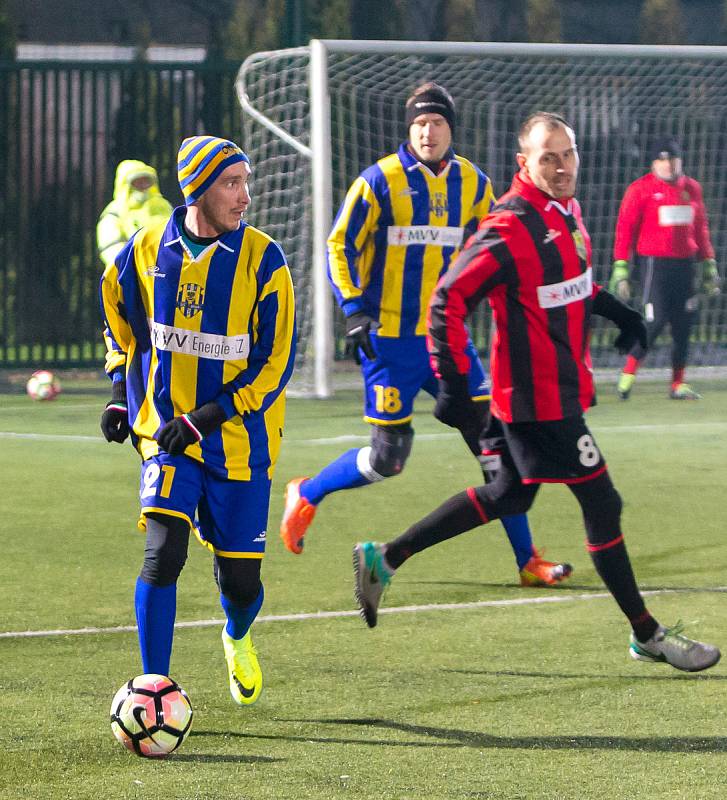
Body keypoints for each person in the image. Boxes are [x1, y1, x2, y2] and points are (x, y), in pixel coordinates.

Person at [352, 112, 720, 673]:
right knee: (603, 503)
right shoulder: (508, 226)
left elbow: (565, 280)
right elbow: (446, 300)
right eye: (548, 157)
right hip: (535, 399)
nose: (563, 165)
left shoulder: (562, 209)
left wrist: (615, 309)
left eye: (567, 153)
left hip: (553, 389)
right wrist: (450, 380)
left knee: (510, 495)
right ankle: (646, 633)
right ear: (523, 163)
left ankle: (386, 556)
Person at [280, 82, 572, 587]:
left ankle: (527, 561)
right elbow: (338, 245)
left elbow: (502, 239)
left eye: (436, 122)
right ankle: (308, 492)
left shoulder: (474, 184)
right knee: (387, 460)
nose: (427, 131)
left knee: (495, 448)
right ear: (408, 128)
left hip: (450, 340)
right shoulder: (378, 181)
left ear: (450, 128)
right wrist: (353, 308)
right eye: (419, 123)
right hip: (390, 343)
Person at [99, 135, 296, 705]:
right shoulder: (146, 250)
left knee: (240, 584)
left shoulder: (264, 261)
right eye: (232, 184)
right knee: (163, 554)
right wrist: (119, 389)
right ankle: (152, 688)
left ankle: (236, 633)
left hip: (240, 441)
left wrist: (207, 416)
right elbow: (116, 310)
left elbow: (273, 364)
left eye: (245, 183)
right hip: (167, 437)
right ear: (199, 190)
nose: (245, 197)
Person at [610, 136, 720, 401]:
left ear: (680, 160)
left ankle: (677, 383)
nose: (667, 164)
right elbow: (625, 229)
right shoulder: (640, 190)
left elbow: (700, 228)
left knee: (684, 325)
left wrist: (708, 265)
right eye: (661, 159)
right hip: (654, 266)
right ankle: (627, 375)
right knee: (654, 322)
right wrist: (621, 268)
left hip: (685, 266)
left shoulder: (692, 188)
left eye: (671, 158)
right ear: (653, 163)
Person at [96, 159, 174, 268]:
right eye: (137, 181)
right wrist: (134, 267)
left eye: (146, 180)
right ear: (125, 183)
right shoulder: (115, 211)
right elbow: (111, 247)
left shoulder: (164, 206)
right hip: (133, 275)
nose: (142, 185)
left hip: (169, 270)